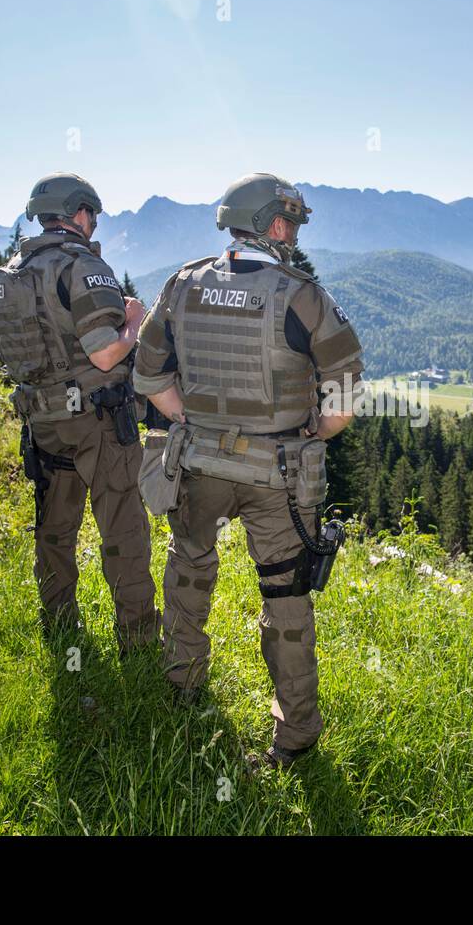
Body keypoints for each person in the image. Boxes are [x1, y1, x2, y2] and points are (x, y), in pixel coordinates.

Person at [133, 172, 364, 769]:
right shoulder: (302, 295)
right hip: (279, 475)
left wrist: (194, 423)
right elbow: (342, 404)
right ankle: (296, 738)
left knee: (188, 569)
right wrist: (309, 431)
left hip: (199, 465)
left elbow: (149, 377)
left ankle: (182, 688)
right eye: (288, 220)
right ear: (270, 224)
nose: (293, 232)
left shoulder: (182, 286)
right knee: (286, 598)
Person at [0, 172, 159, 655]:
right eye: (93, 214)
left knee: (54, 528)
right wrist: (135, 322)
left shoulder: (12, 272)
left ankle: (59, 624)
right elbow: (105, 354)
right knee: (123, 529)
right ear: (78, 212)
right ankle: (139, 643)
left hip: (42, 420)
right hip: (97, 421)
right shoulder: (81, 266)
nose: (95, 223)